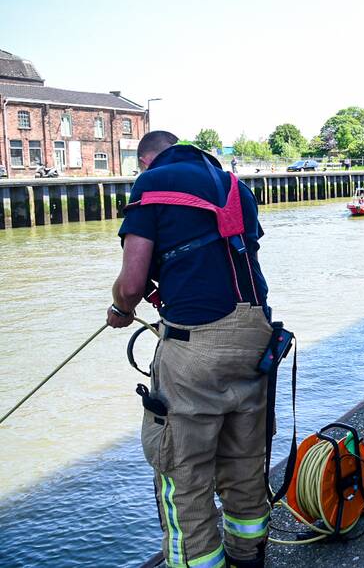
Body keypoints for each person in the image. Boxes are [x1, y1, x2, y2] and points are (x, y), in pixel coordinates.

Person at [106, 131, 273, 568]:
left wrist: (121, 308)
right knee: (244, 460)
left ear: (146, 161)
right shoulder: (236, 186)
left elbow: (131, 283)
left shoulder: (151, 185)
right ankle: (249, 555)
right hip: (256, 334)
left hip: (196, 344)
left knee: (183, 472)